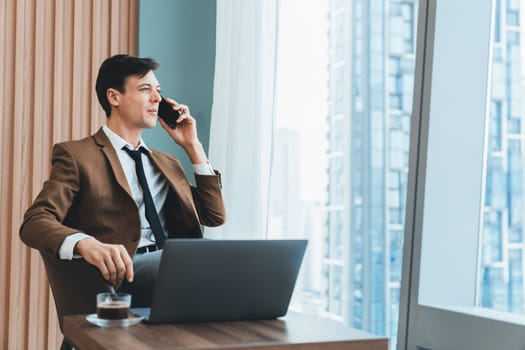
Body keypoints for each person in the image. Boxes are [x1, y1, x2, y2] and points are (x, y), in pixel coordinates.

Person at [19, 54, 226, 305]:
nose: (157, 98)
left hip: (174, 272)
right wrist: (86, 244)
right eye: (145, 89)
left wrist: (193, 146)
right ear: (114, 97)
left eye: (158, 91)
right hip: (119, 281)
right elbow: (35, 222)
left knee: (234, 283)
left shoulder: (166, 163)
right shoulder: (77, 155)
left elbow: (213, 216)